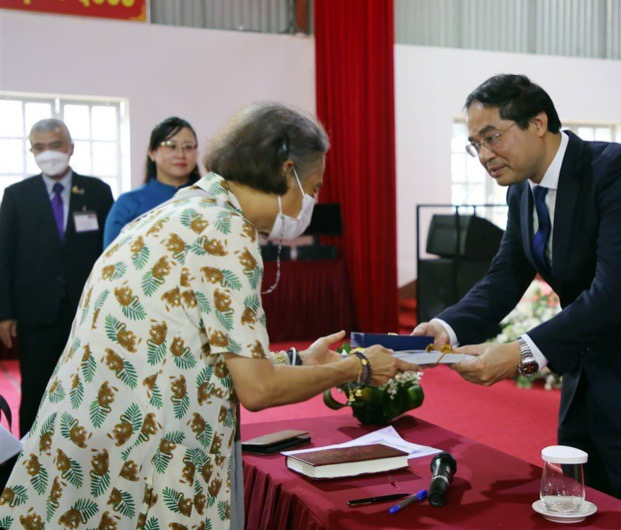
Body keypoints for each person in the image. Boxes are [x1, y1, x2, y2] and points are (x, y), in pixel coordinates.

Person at [0, 103, 418, 529]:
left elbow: (188, 351)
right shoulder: (225, 232)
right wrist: (358, 366)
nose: (311, 200)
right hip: (139, 456)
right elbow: (256, 389)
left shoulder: (180, 211)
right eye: (312, 186)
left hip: (87, 451)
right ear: (286, 171)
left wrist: (299, 361)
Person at [413, 74, 621, 530]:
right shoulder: (522, 191)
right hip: (585, 380)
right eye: (474, 145)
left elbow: (616, 294)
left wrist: (519, 354)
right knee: (578, 512)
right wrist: (447, 328)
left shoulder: (618, 172)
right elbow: (504, 278)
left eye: (492, 137)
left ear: (538, 123)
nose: (485, 156)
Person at [0, 118, 114, 438]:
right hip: (36, 312)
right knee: (36, 387)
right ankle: (28, 462)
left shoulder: (97, 191)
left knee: (90, 386)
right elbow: (3, 259)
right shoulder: (17, 195)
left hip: (88, 311)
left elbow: (111, 252)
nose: (48, 153)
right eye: (40, 147)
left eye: (55, 145)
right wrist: (5, 313)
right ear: (31, 151)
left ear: (70, 148)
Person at [103, 116, 201, 247]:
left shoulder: (209, 199)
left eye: (188, 147)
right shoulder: (129, 203)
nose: (181, 154)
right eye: (171, 146)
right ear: (152, 153)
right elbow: (111, 260)